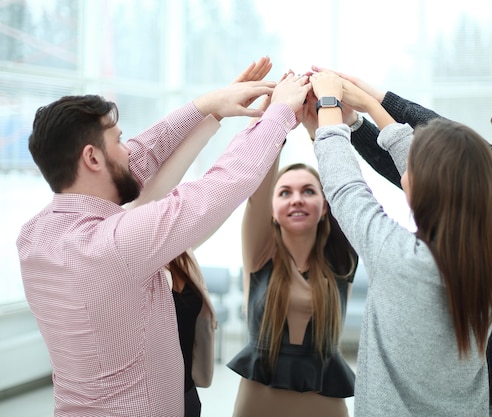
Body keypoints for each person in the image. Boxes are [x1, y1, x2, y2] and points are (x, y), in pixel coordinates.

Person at [17, 61, 311, 416]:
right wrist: (278, 114)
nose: (129, 150)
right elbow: (221, 184)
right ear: (92, 157)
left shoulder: (34, 235)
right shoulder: (114, 245)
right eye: (119, 140)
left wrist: (206, 107)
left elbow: (138, 160)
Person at [313, 66, 492, 416]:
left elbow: (451, 155)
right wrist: (354, 122)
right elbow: (426, 174)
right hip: (468, 398)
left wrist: (374, 100)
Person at [124, 58, 273, 417]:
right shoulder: (126, 242)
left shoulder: (180, 251)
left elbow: (182, 174)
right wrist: (268, 124)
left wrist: (219, 111)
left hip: (185, 395)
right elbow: (222, 182)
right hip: (141, 401)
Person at [226, 91, 358, 417]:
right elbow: (258, 194)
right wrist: (277, 124)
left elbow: (347, 188)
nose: (296, 199)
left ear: (325, 207)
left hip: (324, 400)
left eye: (308, 191)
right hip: (259, 401)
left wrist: (320, 131)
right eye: (285, 192)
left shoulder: (341, 262)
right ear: (273, 211)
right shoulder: (259, 255)